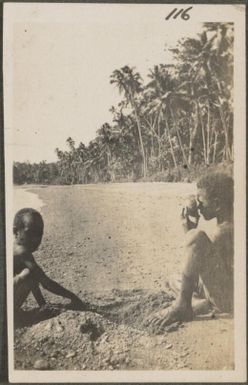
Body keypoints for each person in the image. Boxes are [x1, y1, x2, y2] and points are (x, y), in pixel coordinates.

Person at [146, 171, 234, 333]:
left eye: (201, 202)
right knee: (172, 279)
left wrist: (190, 231)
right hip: (222, 287)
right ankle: (199, 302)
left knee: (196, 236)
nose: (198, 206)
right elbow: (204, 265)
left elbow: (195, 246)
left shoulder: (224, 232)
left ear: (217, 204)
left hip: (227, 298)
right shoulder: (225, 225)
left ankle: (184, 305)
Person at [14, 208, 87, 312]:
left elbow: (33, 279)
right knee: (31, 274)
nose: (36, 239)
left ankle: (42, 305)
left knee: (30, 273)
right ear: (15, 231)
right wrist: (73, 297)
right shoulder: (22, 253)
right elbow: (46, 283)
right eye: (30, 233)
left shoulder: (13, 248)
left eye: (39, 233)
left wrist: (42, 304)